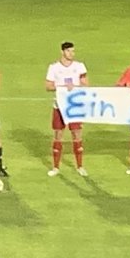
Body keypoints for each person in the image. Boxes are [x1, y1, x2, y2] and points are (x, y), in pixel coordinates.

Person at [45, 41, 89, 177]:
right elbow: (48, 86)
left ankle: (80, 166)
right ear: (62, 52)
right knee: (58, 135)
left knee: (77, 134)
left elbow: (86, 85)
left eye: (73, 51)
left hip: (74, 106)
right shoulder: (54, 67)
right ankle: (56, 167)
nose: (72, 54)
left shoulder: (79, 66)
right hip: (59, 106)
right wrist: (62, 87)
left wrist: (76, 87)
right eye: (69, 51)